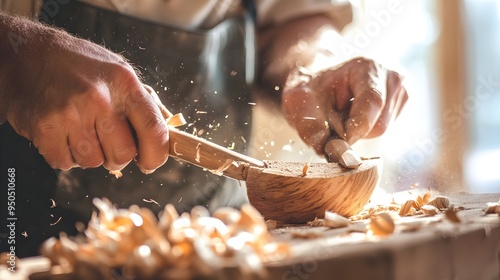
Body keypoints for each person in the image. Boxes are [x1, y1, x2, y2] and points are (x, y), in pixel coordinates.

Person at [0, 0, 408, 257]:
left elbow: (293, 15)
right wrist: (22, 62)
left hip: (216, 242)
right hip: (27, 248)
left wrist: (313, 65)